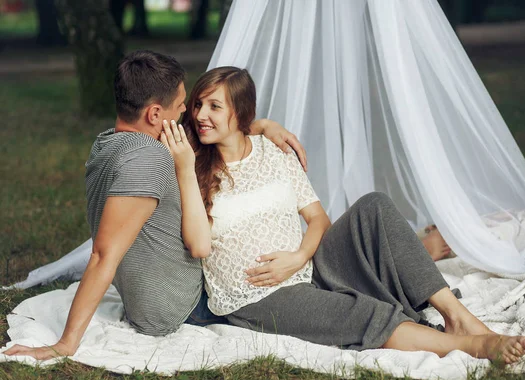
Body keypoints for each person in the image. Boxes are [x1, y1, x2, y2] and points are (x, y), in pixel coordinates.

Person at [176, 66, 525, 364]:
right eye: (197, 105)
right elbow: (197, 242)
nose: (200, 115)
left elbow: (319, 220)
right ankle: (473, 346)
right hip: (257, 296)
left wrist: (299, 256)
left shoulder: (275, 152)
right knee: (360, 313)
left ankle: (458, 318)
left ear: (241, 112)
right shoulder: (190, 159)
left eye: (214, 106)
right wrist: (186, 168)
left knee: (374, 205)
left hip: (308, 267)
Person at [2, 50, 306, 360]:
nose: (187, 111)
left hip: (157, 300)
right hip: (186, 307)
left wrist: (263, 125)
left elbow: (203, 132)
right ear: (154, 114)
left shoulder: (107, 143)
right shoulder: (150, 160)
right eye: (180, 105)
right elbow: (102, 255)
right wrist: (65, 344)